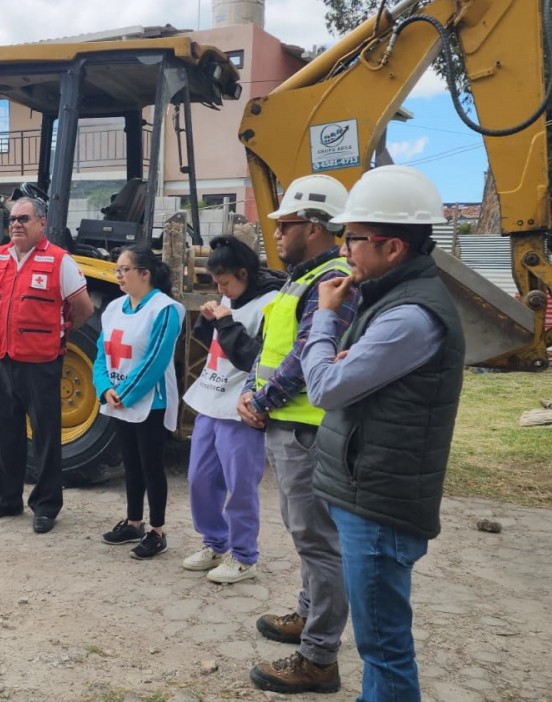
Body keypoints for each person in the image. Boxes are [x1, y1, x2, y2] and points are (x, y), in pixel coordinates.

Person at [302, 165, 465, 701]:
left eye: (352, 238)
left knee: (384, 647)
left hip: (379, 504)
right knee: (380, 643)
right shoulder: (391, 298)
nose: (344, 250)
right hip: (368, 490)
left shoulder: (409, 315)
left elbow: (325, 388)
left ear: (392, 247)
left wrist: (325, 320)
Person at [237, 174, 358, 695]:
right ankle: (309, 617)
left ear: (312, 226)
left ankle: (319, 659)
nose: (276, 233)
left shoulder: (332, 280)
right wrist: (249, 389)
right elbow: (271, 348)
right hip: (288, 425)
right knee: (305, 535)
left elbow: (309, 354)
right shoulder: (299, 277)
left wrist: (260, 402)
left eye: (284, 224)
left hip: (307, 428)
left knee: (320, 541)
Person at [0, 196, 94, 534]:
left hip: (41, 363)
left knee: (45, 437)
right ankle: (5, 500)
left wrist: (55, 333)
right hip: (0, 357)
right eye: (12, 219)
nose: (16, 224)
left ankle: (45, 507)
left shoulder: (59, 261)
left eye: (24, 219)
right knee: (2, 434)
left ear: (42, 224)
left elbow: (82, 308)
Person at [181, 235, 285, 582]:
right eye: (217, 282)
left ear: (244, 273)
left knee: (240, 485)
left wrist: (225, 322)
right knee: (200, 478)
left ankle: (243, 555)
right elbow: (208, 340)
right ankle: (215, 542)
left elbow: (254, 357)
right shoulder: (229, 295)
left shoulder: (271, 302)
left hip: (241, 408)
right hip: (211, 400)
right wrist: (210, 316)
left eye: (225, 281)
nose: (221, 287)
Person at [94, 245, 185, 559]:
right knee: (130, 464)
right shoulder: (114, 308)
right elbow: (101, 354)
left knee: (151, 466)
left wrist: (126, 393)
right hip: (119, 398)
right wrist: (105, 387)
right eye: (117, 270)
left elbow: (156, 361)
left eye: (124, 270)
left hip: (151, 402)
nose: (118, 276)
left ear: (145, 274)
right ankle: (134, 522)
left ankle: (157, 531)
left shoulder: (165, 309)